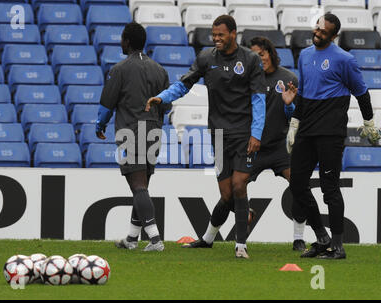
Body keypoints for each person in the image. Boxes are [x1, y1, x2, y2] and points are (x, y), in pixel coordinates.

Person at [146, 15, 266, 259]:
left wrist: (256, 133)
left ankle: (240, 245)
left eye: (221, 35)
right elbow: (184, 84)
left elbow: (258, 99)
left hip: (244, 134)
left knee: (239, 185)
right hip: (219, 134)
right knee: (226, 194)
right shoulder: (206, 58)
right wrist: (163, 97)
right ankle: (210, 238)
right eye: (214, 35)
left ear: (233, 33)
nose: (216, 39)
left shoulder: (250, 60)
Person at [287, 13, 381, 259]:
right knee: (297, 184)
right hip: (306, 129)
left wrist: (369, 122)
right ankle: (322, 238)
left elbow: (361, 93)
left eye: (324, 33)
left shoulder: (345, 60)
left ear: (334, 36)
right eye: (317, 29)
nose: (317, 34)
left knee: (330, 188)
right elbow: (304, 94)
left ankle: (338, 246)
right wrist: (294, 124)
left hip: (330, 132)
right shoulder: (305, 55)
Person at [95, 22, 171, 252]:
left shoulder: (120, 69)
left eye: (122, 38)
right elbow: (166, 106)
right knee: (142, 186)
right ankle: (131, 238)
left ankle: (155, 239)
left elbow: (107, 102)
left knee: (138, 186)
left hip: (131, 130)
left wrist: (100, 125)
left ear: (126, 41)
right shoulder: (160, 70)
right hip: (155, 131)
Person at [248, 36, 307, 251]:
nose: (258, 59)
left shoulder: (288, 78)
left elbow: (296, 115)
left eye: (261, 54)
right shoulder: (249, 79)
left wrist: (289, 106)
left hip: (280, 147)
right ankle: (208, 238)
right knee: (231, 190)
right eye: (253, 56)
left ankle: (299, 238)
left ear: (270, 53)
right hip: (253, 146)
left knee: (299, 186)